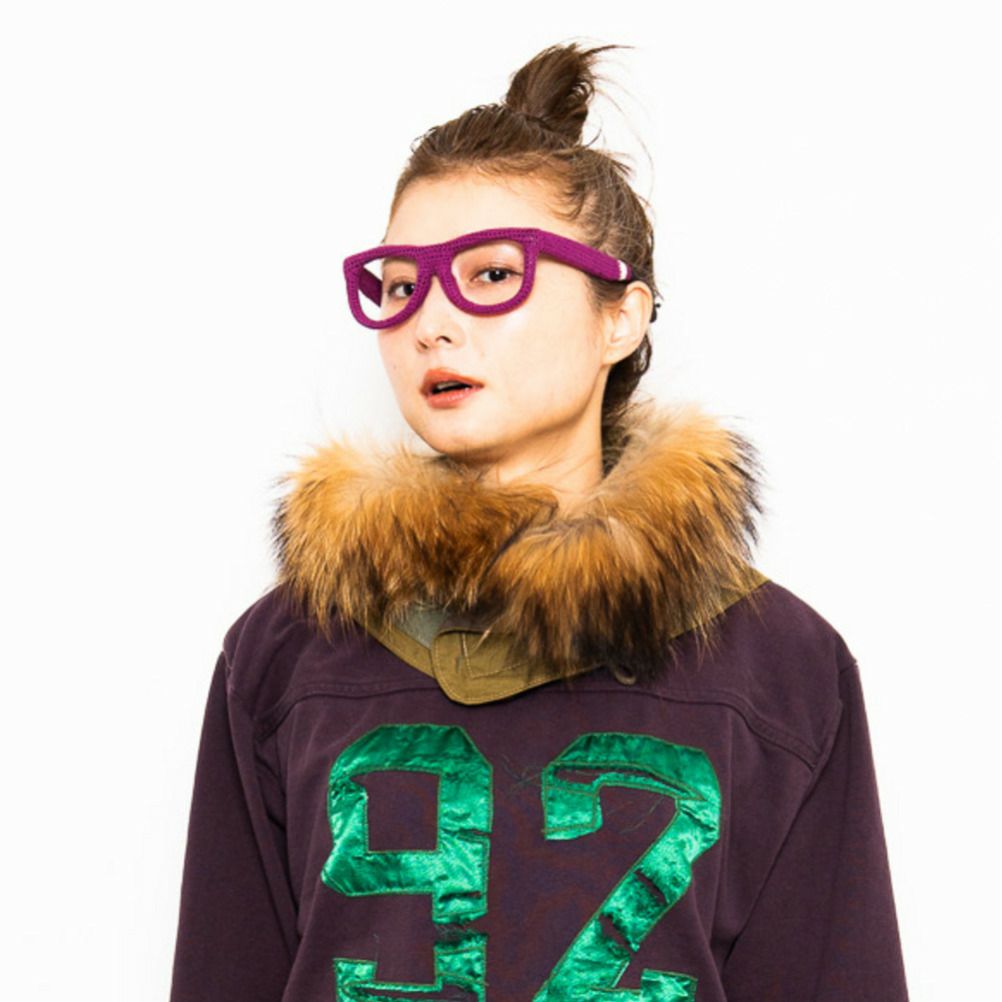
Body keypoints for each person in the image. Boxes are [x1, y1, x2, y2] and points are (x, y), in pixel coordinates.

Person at [169, 41, 910, 1002]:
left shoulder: (782, 668)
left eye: (490, 276)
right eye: (399, 285)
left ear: (621, 317)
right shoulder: (283, 655)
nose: (431, 322)